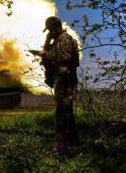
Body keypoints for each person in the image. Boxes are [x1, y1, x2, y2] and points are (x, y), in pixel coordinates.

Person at [29, 16, 80, 150]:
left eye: (50, 29)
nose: (49, 32)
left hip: (65, 77)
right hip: (61, 76)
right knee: (64, 109)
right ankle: (71, 141)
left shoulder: (64, 38)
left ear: (55, 27)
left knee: (63, 110)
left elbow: (66, 58)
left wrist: (46, 55)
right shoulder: (57, 40)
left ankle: (62, 143)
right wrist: (46, 45)